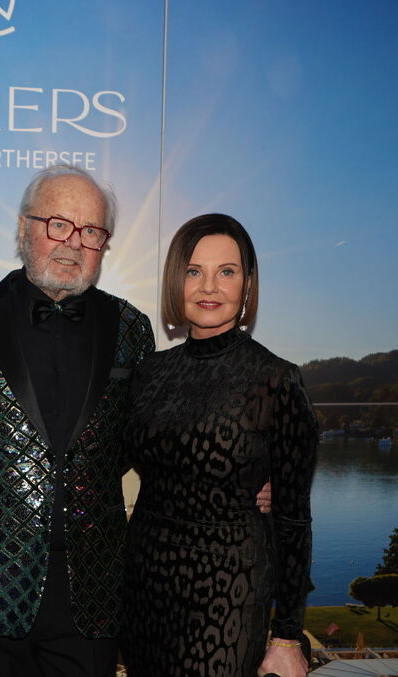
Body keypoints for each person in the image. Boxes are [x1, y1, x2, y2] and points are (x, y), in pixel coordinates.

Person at [0, 165, 154, 677]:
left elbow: (145, 437)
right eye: (58, 224)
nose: (73, 243)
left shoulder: (132, 328)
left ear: (104, 244)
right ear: (24, 228)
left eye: (91, 231)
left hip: (93, 593)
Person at [122, 213, 316, 677]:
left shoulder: (277, 380)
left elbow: (294, 522)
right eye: (194, 271)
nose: (209, 286)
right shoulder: (150, 373)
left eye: (226, 271)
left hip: (228, 594)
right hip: (143, 587)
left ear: (247, 284)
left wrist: (287, 637)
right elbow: (109, 458)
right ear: (176, 281)